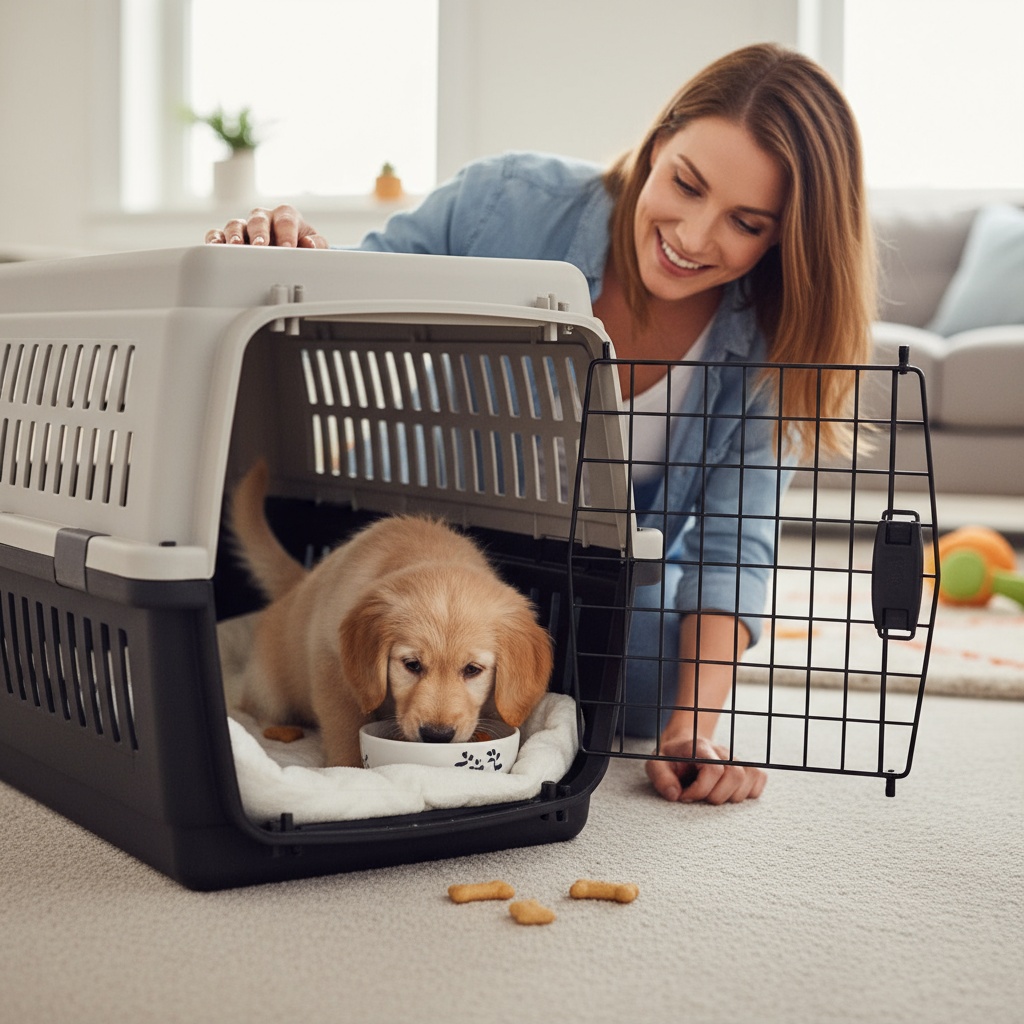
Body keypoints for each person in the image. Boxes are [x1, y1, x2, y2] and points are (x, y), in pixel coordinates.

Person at [206, 43, 876, 807]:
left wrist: (696, 725)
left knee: (649, 678)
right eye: (686, 184)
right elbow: (354, 289)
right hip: (420, 542)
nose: (694, 236)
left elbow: (732, 544)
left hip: (579, 587)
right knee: (337, 633)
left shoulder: (773, 338)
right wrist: (289, 247)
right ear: (658, 143)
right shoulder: (508, 202)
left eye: (746, 223)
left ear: (785, 235)